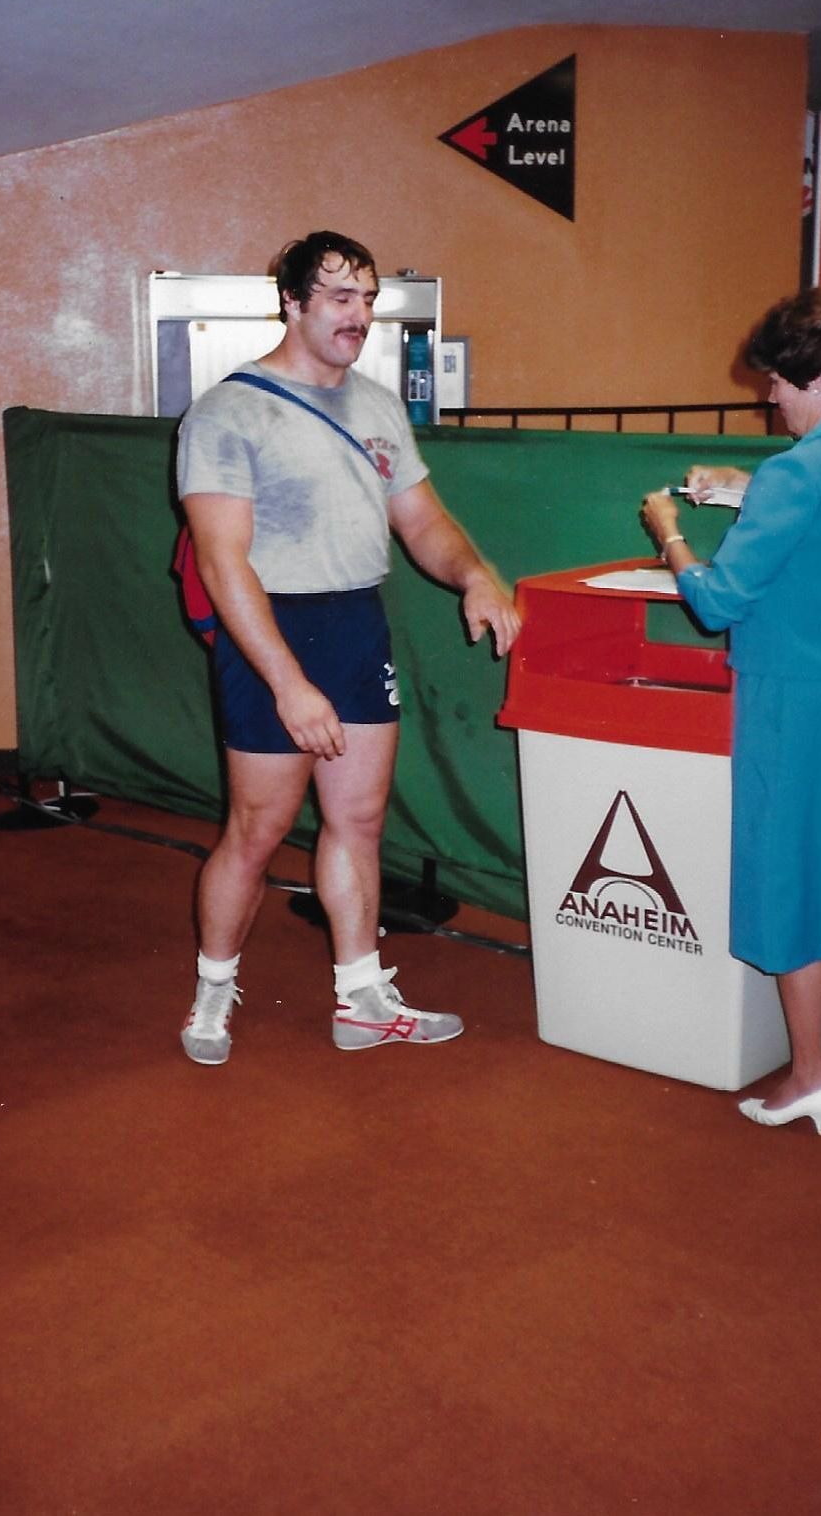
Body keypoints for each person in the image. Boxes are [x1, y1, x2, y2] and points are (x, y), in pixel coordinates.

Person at [175, 230, 520, 1063]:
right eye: (339, 297)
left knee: (358, 820)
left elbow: (423, 521)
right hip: (269, 629)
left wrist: (476, 574)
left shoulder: (376, 405)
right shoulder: (227, 412)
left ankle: (361, 998)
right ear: (291, 302)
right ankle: (210, 998)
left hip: (356, 624)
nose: (358, 316)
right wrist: (289, 685)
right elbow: (223, 565)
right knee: (257, 830)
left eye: (367, 299)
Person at [641, 284, 821, 1134]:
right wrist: (745, 489)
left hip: (789, 706)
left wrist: (670, 532)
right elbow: (818, 515)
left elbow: (717, 602)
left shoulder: (795, 472)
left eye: (782, 382)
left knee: (786, 883)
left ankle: (809, 1074)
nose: (771, 395)